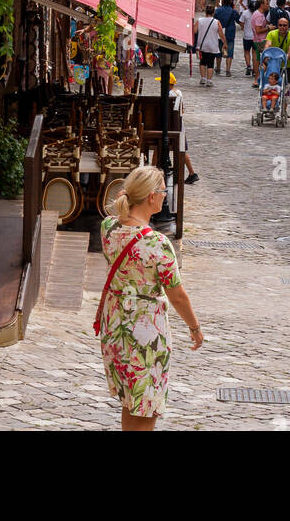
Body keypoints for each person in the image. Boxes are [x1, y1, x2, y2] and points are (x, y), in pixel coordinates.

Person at [99, 166, 204, 431]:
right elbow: (177, 295)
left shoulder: (108, 228)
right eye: (162, 190)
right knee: (146, 406)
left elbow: (117, 216)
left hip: (114, 328)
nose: (165, 195)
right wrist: (195, 328)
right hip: (144, 333)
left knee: (129, 400)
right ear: (150, 197)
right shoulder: (157, 243)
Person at [169, 73, 199, 184]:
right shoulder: (179, 92)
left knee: (163, 147)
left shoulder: (169, 94)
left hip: (174, 125)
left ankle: (154, 170)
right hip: (180, 124)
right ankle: (192, 173)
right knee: (182, 150)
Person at [193, 4, 224, 88]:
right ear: (213, 12)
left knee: (202, 62)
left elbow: (194, 31)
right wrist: (225, 43)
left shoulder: (200, 21)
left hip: (202, 45)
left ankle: (203, 78)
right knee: (210, 63)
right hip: (213, 46)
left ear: (205, 11)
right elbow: (221, 34)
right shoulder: (216, 22)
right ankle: (209, 81)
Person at [267, 14, 290, 90]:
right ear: (277, 26)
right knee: (272, 85)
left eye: (284, 25)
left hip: (287, 64)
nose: (282, 27)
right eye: (280, 25)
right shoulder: (271, 34)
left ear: (288, 26)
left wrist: (286, 58)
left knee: (286, 86)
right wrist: (266, 54)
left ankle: (285, 100)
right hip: (274, 64)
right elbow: (268, 44)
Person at [214, 0, 239, 75]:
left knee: (218, 52)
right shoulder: (233, 11)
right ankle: (228, 70)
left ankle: (218, 68)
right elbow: (238, 20)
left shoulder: (218, 10)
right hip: (230, 33)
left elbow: (214, 21)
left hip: (220, 33)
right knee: (230, 52)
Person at [250, 0, 270, 80]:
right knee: (265, 61)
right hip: (260, 41)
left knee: (257, 60)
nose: (268, 5)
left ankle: (257, 78)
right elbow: (258, 30)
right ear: (261, 5)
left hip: (256, 40)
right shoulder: (259, 15)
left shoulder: (257, 13)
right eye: (267, 4)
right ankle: (259, 78)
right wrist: (269, 28)